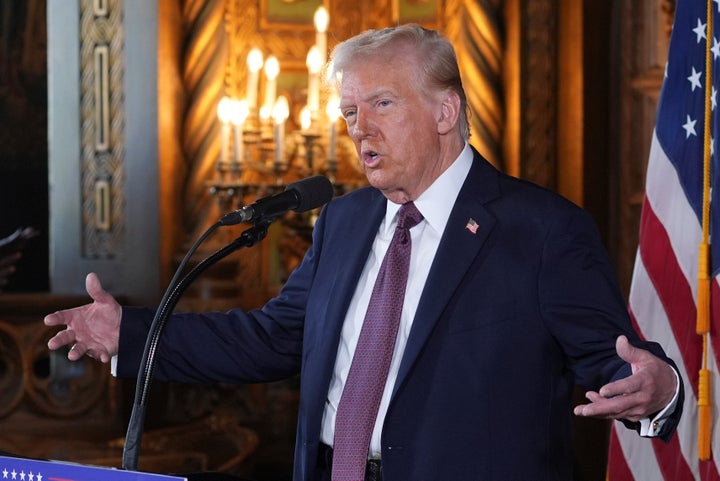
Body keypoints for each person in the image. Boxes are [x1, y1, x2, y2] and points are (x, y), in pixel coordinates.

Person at [44, 25, 682, 481]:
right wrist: (130, 334)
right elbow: (272, 337)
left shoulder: (542, 229)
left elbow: (616, 362)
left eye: (381, 104)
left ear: (445, 110)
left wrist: (657, 389)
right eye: (349, 111)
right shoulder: (344, 220)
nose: (359, 128)